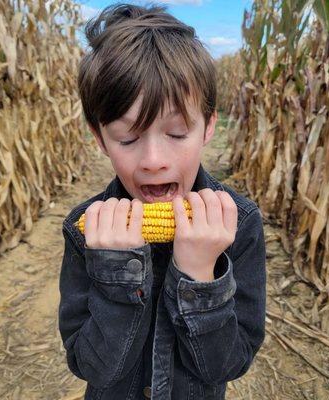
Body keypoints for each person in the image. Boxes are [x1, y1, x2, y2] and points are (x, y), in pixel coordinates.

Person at [58, 3, 266, 399]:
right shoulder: (84, 231)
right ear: (100, 138)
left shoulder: (240, 225)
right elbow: (90, 367)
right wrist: (115, 274)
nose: (154, 162)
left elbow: (229, 365)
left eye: (176, 133)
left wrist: (199, 276)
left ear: (208, 127)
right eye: (128, 139)